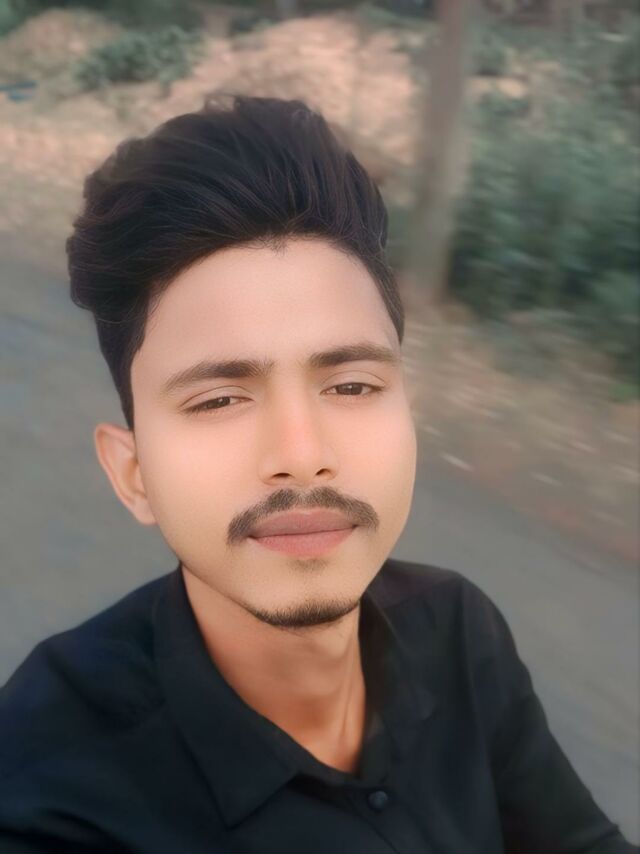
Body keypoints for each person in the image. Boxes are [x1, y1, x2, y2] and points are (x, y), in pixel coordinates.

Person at [0, 93, 635, 854]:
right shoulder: (46, 789)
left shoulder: (457, 630)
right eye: (219, 399)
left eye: (353, 386)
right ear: (132, 472)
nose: (301, 453)